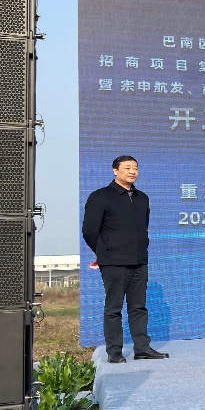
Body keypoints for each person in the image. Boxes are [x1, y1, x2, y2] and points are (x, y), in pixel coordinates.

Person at [81, 155, 168, 363]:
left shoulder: (142, 198)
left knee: (139, 307)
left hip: (139, 261)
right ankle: (115, 353)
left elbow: (143, 228)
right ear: (115, 171)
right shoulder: (100, 196)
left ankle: (142, 348)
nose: (132, 171)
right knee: (114, 309)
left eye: (135, 168)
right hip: (113, 263)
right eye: (127, 167)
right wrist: (103, 253)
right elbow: (89, 231)